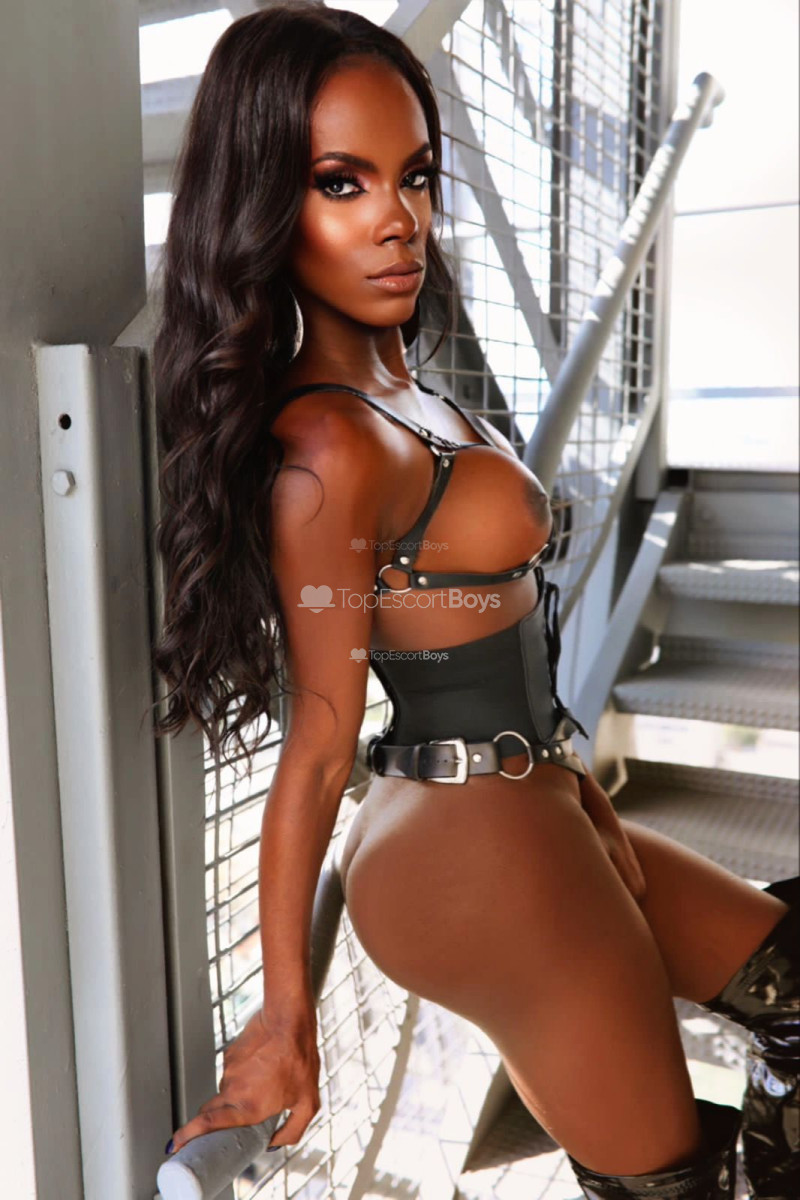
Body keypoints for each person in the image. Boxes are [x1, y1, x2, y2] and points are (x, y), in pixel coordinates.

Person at [149, 5, 799, 1196]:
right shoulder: (329, 448)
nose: (398, 217)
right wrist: (283, 1019)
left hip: (525, 800)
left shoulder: (405, 386)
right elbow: (317, 746)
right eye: (340, 182)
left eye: (413, 175)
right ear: (262, 204)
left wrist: (562, 782)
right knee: (674, 1185)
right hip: (469, 854)